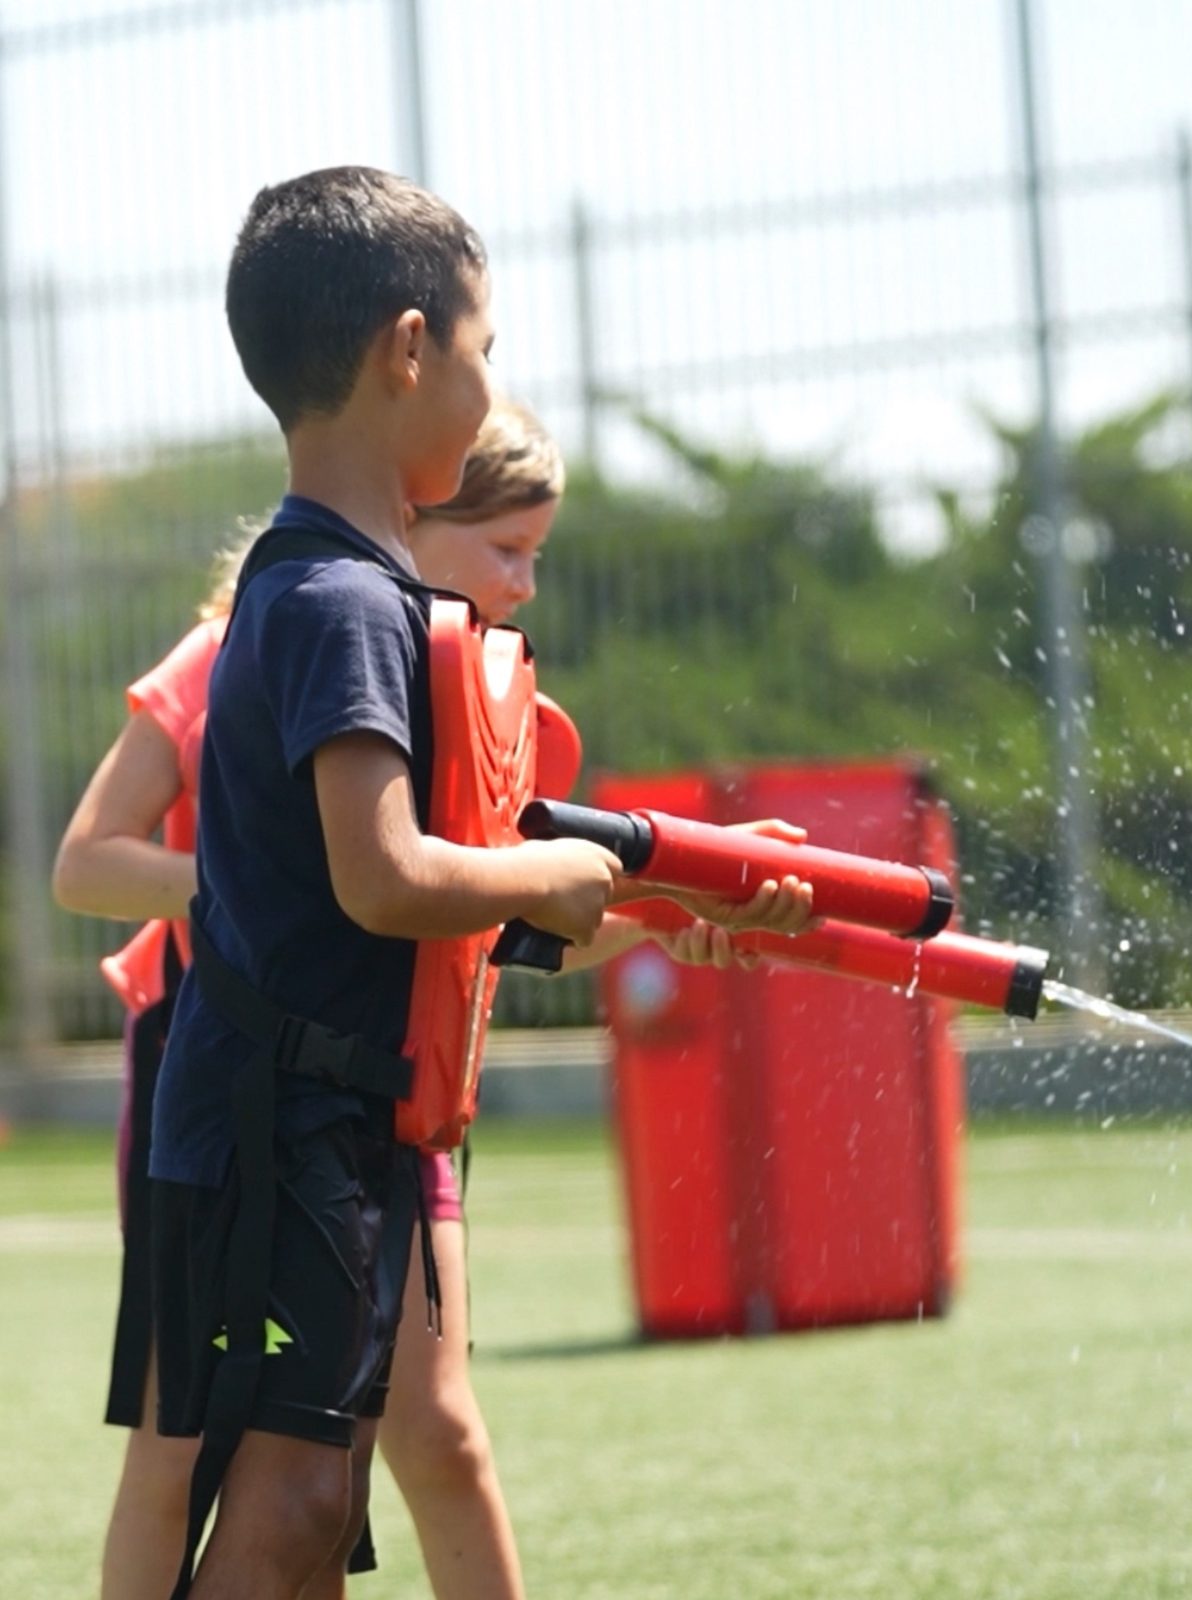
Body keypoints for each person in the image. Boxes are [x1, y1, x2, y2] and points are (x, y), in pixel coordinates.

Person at [122, 166, 808, 1600]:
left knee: (314, 1503)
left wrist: (686, 895)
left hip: (319, 1117)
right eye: (486, 351)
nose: (494, 387)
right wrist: (555, 869)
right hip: (283, 1130)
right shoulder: (341, 604)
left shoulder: (346, 590)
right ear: (409, 349)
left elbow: (445, 885)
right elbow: (389, 881)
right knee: (300, 1496)